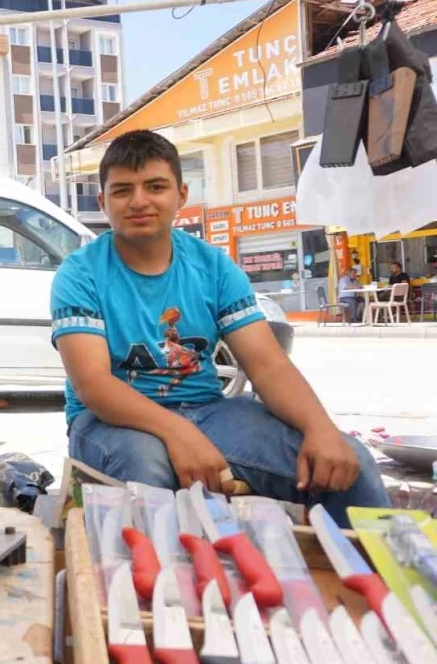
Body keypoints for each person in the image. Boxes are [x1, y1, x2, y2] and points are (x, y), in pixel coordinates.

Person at [50, 130, 388, 525]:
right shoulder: (80, 273)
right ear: (102, 202)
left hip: (209, 411)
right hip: (109, 422)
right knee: (148, 472)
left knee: (348, 462)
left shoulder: (213, 266)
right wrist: (179, 433)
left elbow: (268, 366)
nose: (139, 201)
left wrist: (321, 428)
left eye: (155, 186)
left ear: (181, 195)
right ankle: (157, 569)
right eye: (122, 190)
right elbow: (93, 384)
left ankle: (377, 566)